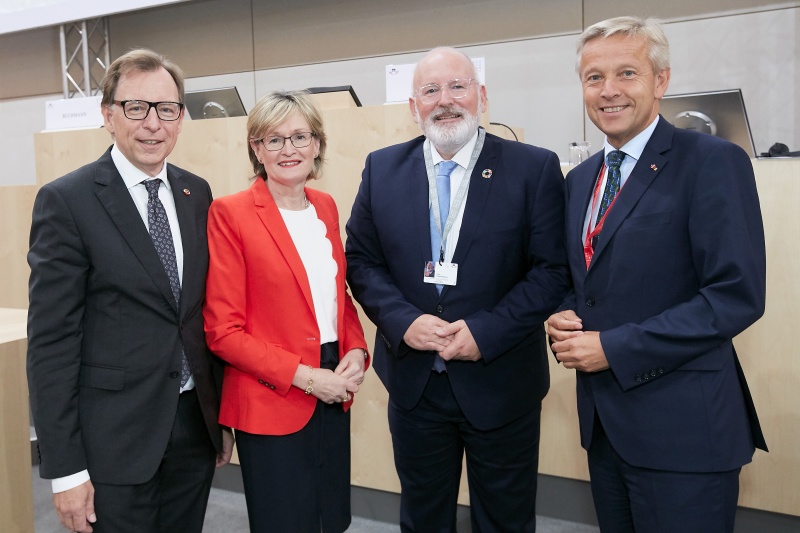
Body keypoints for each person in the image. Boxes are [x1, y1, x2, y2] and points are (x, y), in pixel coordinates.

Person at [546, 16, 768, 532]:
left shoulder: (711, 161)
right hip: (605, 428)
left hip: (684, 432)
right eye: (594, 77)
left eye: (627, 73)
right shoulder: (580, 180)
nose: (608, 91)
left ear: (661, 81)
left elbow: (735, 296)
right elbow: (582, 280)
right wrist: (563, 313)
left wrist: (614, 348)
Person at [345, 47, 570, 532]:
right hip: (415, 385)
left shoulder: (534, 169)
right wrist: (405, 322)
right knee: (423, 517)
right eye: (430, 90)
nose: (445, 101)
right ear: (413, 106)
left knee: (505, 519)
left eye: (457, 87)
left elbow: (552, 271)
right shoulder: (381, 168)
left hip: (501, 381)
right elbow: (361, 261)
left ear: (481, 97)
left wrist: (485, 333)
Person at [27, 48, 234, 533]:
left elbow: (197, 313)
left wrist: (217, 416)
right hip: (112, 443)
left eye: (167, 109)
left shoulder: (196, 193)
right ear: (108, 115)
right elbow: (51, 345)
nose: (153, 123)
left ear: (181, 118)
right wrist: (65, 470)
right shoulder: (67, 201)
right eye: (136, 107)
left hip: (191, 429)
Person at [203, 90, 369, 533]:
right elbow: (223, 331)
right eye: (273, 140)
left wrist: (355, 348)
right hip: (273, 395)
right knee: (285, 522)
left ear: (317, 144)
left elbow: (337, 296)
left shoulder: (326, 207)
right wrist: (310, 378)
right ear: (256, 149)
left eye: (300, 136)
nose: (289, 149)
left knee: (331, 518)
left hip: (333, 386)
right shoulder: (231, 213)